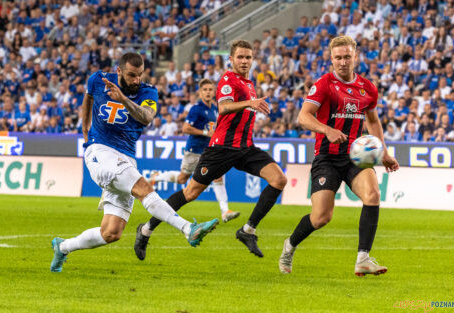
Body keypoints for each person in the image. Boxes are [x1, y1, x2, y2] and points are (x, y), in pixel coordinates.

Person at [50, 52, 219, 273]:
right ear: (119, 71)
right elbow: (88, 98)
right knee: (144, 188)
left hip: (126, 156)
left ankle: (62, 247)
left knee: (111, 233)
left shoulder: (148, 91)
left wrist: (123, 99)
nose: (136, 80)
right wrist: (84, 128)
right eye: (131, 75)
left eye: (139, 75)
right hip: (100, 151)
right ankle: (188, 229)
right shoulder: (98, 80)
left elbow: (147, 117)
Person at [134, 40, 287, 259]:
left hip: (245, 147)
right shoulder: (228, 80)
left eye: (248, 57)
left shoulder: (249, 84)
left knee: (279, 179)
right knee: (190, 193)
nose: (244, 61)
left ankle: (247, 231)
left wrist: (251, 104)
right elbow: (223, 108)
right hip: (221, 149)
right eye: (240, 57)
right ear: (231, 59)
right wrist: (249, 103)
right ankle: (146, 230)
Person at [278, 36, 399, 276]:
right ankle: (289, 246)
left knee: (373, 194)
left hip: (355, 156)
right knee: (322, 217)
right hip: (327, 157)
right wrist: (327, 130)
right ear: (331, 58)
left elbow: (373, 121)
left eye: (347, 57)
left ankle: (363, 258)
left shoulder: (367, 88)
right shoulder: (324, 84)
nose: (343, 62)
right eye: (338, 58)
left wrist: (383, 151)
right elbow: (304, 117)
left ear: (355, 56)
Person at [145, 78, 240, 227]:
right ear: (200, 92)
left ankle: (225, 211)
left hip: (208, 150)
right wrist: (204, 132)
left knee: (218, 177)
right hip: (194, 150)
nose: (208, 92)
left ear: (214, 92)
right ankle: (157, 177)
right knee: (183, 178)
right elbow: (185, 128)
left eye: (210, 89)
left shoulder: (215, 109)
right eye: (205, 90)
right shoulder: (196, 109)